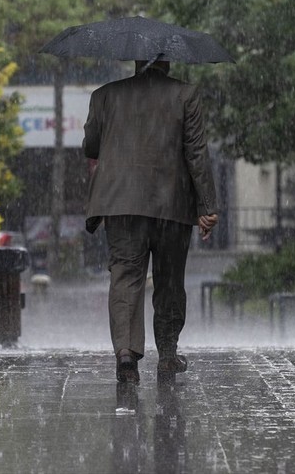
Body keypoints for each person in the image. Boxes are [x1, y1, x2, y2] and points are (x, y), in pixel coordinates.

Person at [83, 58, 219, 384]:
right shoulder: (185, 95)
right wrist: (207, 205)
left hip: (121, 203)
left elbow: (90, 145)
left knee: (125, 276)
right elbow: (196, 152)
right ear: (168, 61)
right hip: (171, 203)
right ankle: (168, 355)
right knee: (169, 279)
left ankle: (126, 355)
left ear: (136, 61)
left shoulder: (105, 95)